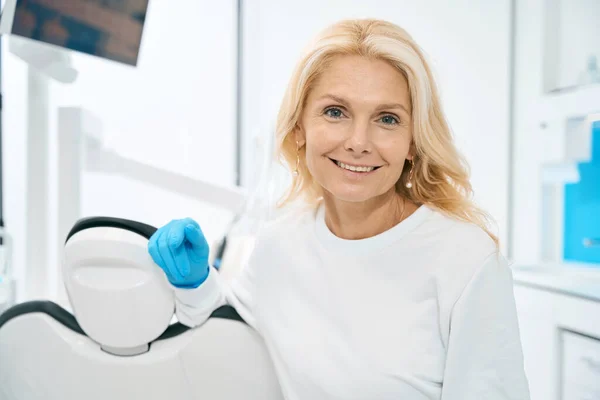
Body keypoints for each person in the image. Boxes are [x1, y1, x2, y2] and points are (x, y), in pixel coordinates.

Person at [148, 18, 531, 400]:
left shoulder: (466, 262)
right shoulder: (280, 244)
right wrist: (194, 282)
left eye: (387, 119)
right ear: (300, 128)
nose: (358, 142)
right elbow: (230, 335)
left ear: (413, 142)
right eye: (335, 112)